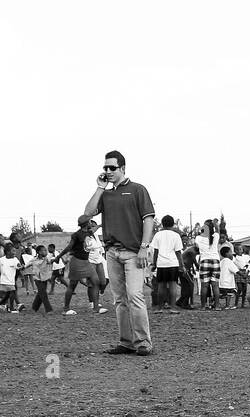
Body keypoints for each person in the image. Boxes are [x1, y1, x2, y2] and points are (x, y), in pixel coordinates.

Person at [81, 150, 155, 355]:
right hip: (112, 253)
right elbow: (87, 213)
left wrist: (144, 247)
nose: (108, 171)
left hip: (133, 252)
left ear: (122, 168)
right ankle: (126, 342)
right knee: (120, 299)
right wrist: (99, 188)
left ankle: (143, 343)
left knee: (135, 296)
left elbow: (148, 219)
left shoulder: (138, 190)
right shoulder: (106, 194)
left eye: (112, 168)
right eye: (105, 168)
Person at [61, 218, 103, 316]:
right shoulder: (76, 235)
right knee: (72, 285)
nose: (91, 223)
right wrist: (58, 257)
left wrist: (100, 225)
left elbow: (94, 229)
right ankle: (66, 309)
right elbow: (69, 247)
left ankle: (96, 308)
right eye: (89, 222)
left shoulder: (88, 232)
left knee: (95, 282)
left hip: (86, 262)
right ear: (86, 224)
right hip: (76, 262)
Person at [150, 215, 184, 312]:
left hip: (161, 264)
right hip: (173, 263)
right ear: (173, 224)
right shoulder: (176, 235)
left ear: (162, 223)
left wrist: (154, 264)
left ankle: (159, 307)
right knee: (173, 285)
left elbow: (156, 251)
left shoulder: (158, 235)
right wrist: (181, 265)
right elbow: (178, 252)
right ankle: (172, 307)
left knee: (161, 286)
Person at [28, 245, 55, 313]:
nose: (46, 251)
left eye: (46, 250)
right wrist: (22, 267)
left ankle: (34, 308)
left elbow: (50, 261)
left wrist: (54, 259)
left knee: (40, 293)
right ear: (39, 252)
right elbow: (27, 264)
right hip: (37, 279)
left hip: (44, 278)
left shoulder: (47, 258)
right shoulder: (34, 259)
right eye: (44, 250)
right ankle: (49, 309)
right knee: (43, 294)